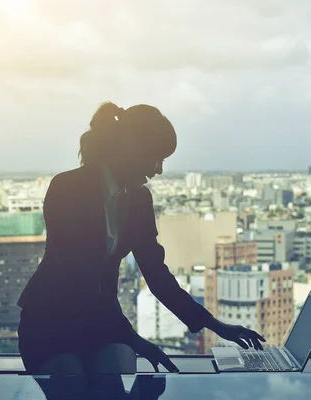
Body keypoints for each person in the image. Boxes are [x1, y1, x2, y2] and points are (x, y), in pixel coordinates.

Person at [17, 102, 265, 377]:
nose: (158, 169)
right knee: (74, 387)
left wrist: (215, 325)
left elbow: (156, 273)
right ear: (132, 148)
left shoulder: (139, 200)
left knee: (113, 386)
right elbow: (77, 275)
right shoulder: (68, 188)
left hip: (101, 323)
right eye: (156, 157)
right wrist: (133, 338)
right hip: (52, 321)